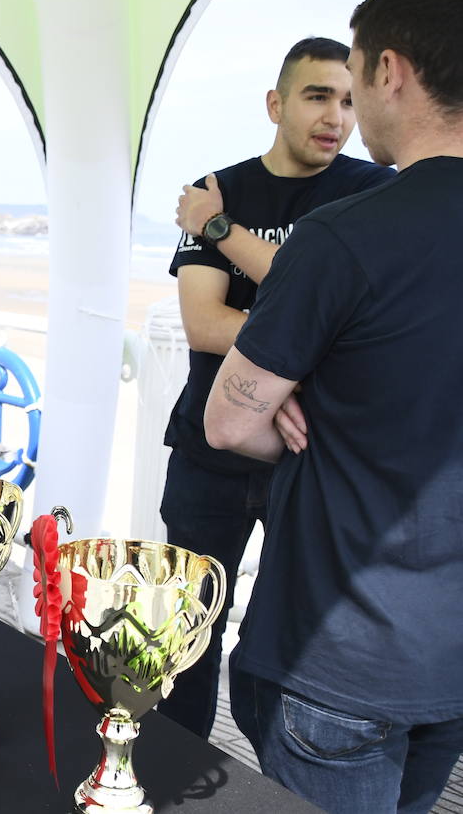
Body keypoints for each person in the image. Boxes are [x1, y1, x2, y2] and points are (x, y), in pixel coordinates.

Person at [205, 0, 463, 814]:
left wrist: (285, 397)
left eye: (352, 77)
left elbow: (228, 424)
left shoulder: (347, 231)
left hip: (337, 655)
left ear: (390, 70)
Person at [156, 37, 394, 738]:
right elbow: (203, 323)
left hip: (309, 462)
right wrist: (302, 341)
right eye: (318, 95)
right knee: (187, 639)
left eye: (350, 100)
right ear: (276, 103)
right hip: (208, 456)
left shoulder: (370, 192)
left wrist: (221, 234)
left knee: (288, 645)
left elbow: (347, 317)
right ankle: (172, 772)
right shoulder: (220, 187)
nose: (337, 116)